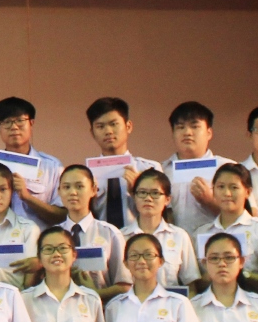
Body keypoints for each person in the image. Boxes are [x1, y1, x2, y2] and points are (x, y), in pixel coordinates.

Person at [194, 163, 258, 296]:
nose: (227, 193)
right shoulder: (201, 233)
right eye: (221, 187)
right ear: (213, 191)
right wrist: (210, 276)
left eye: (234, 187)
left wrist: (241, 273)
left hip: (252, 306)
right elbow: (193, 285)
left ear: (248, 192)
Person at [53, 165, 131, 300]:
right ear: (59, 191)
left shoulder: (110, 233)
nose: (73, 192)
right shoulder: (52, 235)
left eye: (79, 186)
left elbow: (124, 285)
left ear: (94, 190)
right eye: (66, 187)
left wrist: (94, 296)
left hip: (101, 308)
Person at [161, 102, 240, 234]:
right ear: (173, 133)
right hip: (174, 243)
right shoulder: (162, 170)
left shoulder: (228, 169)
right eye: (180, 127)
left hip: (217, 243)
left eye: (195, 126)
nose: (187, 132)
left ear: (209, 133)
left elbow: (246, 216)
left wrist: (210, 201)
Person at [84, 97, 162, 228]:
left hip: (140, 237)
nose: (108, 131)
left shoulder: (149, 169)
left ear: (128, 126)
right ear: (92, 132)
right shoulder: (87, 175)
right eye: (100, 126)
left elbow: (162, 212)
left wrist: (139, 190)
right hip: (100, 237)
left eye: (114, 124)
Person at [0, 96, 65, 226]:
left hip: (40, 238)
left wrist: (27, 197)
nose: (14, 127)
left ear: (31, 123)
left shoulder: (52, 167)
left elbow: (63, 216)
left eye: (20, 120)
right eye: (7, 122)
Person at [121, 169, 200, 292]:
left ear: (167, 199)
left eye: (155, 193)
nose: (148, 198)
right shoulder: (121, 236)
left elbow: (191, 285)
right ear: (134, 197)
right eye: (142, 193)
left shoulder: (179, 236)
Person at [0, 163, 43, 287]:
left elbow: (30, 280)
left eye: (3, 189)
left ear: (12, 192)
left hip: (19, 296)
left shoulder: (28, 229)